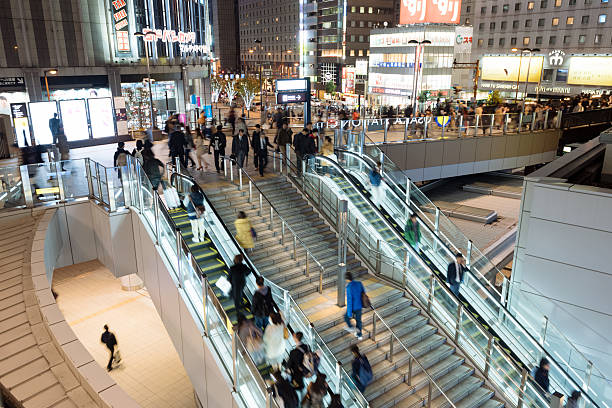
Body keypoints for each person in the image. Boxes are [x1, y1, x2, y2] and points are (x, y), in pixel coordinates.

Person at [344, 272, 365, 340]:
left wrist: (349, 313)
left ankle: (351, 327)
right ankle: (359, 335)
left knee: (346, 317)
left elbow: (349, 300)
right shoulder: (359, 283)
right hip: (359, 306)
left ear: (347, 279)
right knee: (359, 320)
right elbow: (364, 292)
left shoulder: (349, 287)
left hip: (353, 307)